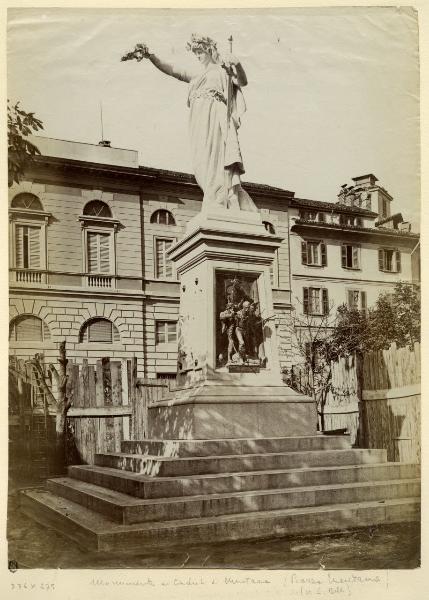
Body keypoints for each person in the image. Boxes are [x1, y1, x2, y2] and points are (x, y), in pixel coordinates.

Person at [122, 35, 257, 212]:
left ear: (209, 50)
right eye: (195, 53)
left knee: (216, 158)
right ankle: (213, 195)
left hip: (216, 118)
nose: (198, 56)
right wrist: (151, 57)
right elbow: (172, 70)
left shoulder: (222, 70)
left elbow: (242, 81)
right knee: (202, 161)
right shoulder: (197, 74)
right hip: (198, 120)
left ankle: (219, 197)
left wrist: (237, 64)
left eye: (200, 51)